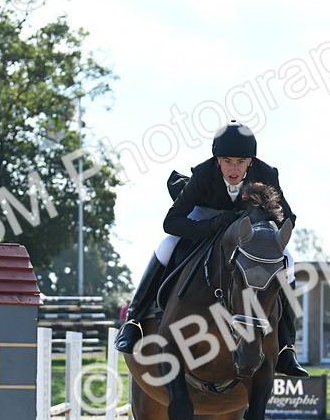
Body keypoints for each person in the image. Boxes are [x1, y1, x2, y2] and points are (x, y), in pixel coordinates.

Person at [113, 120, 308, 377]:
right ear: (217, 161)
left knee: (289, 261)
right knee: (167, 246)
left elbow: (288, 218)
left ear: (250, 161)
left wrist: (263, 230)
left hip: (246, 226)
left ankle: (286, 348)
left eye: (240, 161)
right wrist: (214, 225)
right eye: (227, 161)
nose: (233, 168)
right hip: (206, 217)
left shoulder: (266, 174)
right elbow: (170, 223)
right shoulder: (204, 174)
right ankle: (135, 320)